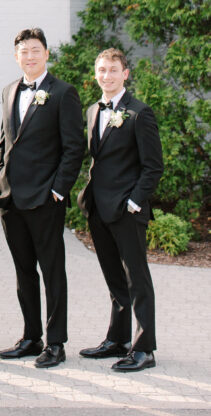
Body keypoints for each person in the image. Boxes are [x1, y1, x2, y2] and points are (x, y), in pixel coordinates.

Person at [0, 27, 84, 368]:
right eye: (23, 51)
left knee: (52, 271)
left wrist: (58, 190)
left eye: (35, 50)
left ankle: (55, 342)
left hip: (46, 198)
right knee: (23, 271)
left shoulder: (63, 93)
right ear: (16, 57)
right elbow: (4, 139)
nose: (29, 56)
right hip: (11, 198)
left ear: (46, 53)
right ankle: (31, 337)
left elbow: (74, 147)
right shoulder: (8, 91)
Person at [77, 48, 163, 372]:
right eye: (102, 70)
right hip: (98, 208)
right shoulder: (92, 111)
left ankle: (144, 349)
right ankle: (118, 339)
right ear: (96, 74)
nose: (107, 76)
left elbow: (153, 167)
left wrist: (134, 201)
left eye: (113, 70)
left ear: (125, 74)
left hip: (127, 209)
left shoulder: (140, 113)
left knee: (137, 279)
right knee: (114, 278)